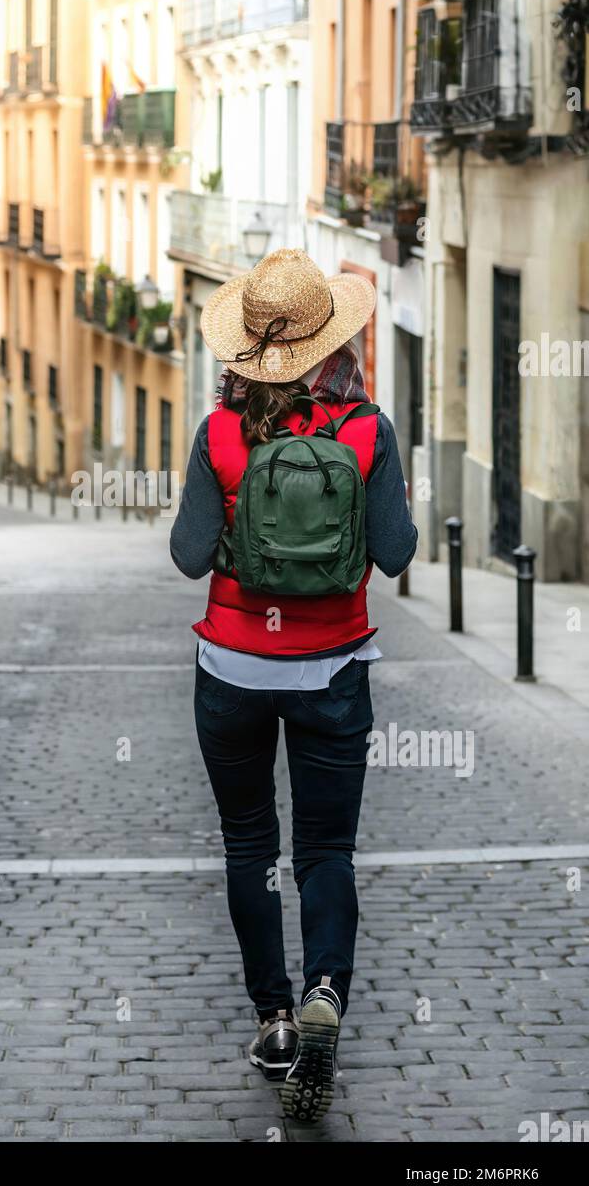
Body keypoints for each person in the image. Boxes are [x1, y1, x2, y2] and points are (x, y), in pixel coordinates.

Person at [169, 248, 417, 1124]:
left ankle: (273, 1021)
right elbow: (395, 552)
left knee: (247, 843)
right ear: (334, 341)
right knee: (324, 850)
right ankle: (323, 993)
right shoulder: (366, 429)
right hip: (333, 671)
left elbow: (187, 555)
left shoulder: (220, 433)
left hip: (232, 668)